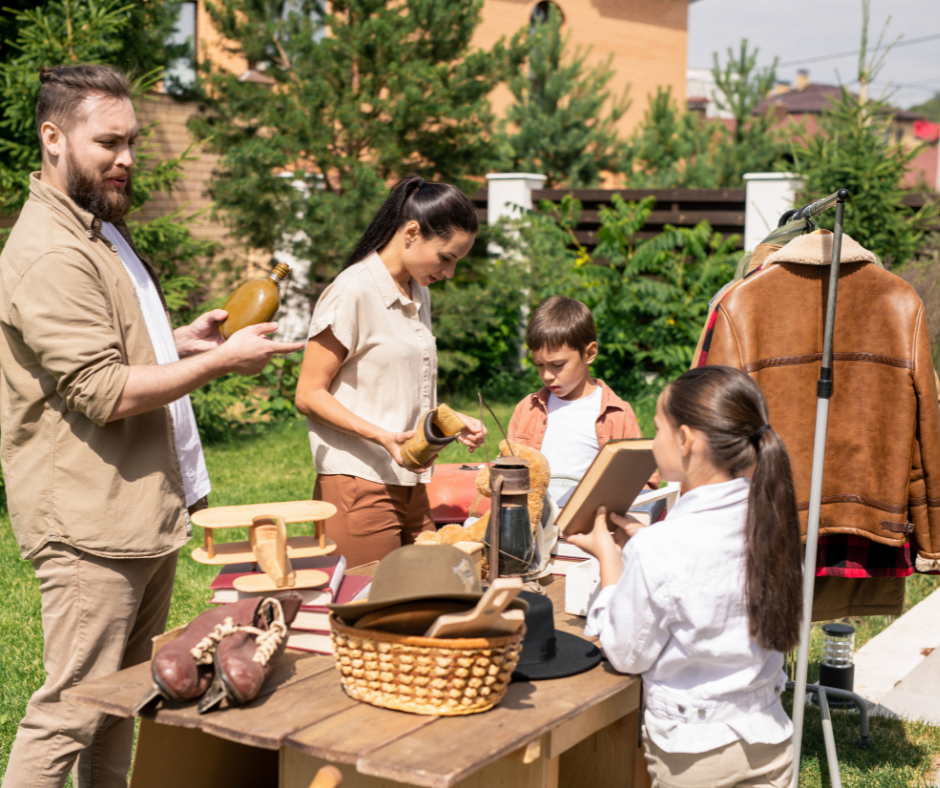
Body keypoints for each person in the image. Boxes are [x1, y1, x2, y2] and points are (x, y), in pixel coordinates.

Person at [0, 65, 304, 788]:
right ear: (53, 138)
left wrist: (182, 343)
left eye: (132, 140)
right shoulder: (50, 251)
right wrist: (223, 364)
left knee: (119, 706)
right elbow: (101, 390)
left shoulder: (100, 232)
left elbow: (114, 347)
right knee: (68, 713)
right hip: (87, 526)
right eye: (108, 141)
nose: (127, 158)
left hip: (138, 512)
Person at [569, 365, 803, 788]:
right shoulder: (772, 520)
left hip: (695, 758)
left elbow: (626, 653)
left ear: (684, 439)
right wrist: (646, 543)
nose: (653, 440)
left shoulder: (661, 547)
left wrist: (611, 564)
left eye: (658, 428)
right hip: (772, 738)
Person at [295, 176, 485, 567]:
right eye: (446, 257)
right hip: (358, 483)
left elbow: (394, 391)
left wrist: (446, 422)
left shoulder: (418, 290)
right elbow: (309, 394)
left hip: (412, 482)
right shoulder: (353, 291)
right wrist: (382, 438)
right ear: (412, 232)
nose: (449, 273)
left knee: (426, 599)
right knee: (366, 609)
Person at [506, 296, 655, 506]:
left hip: (591, 526)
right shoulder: (527, 409)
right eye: (539, 364)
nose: (547, 375)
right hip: (534, 524)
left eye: (557, 364)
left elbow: (641, 483)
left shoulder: (617, 413)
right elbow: (507, 471)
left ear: (590, 353)